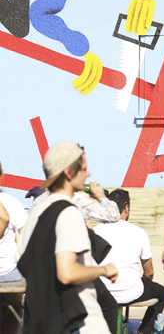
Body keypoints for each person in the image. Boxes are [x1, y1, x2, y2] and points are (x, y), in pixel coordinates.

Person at [16, 141, 118, 334]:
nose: (88, 174)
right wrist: (105, 270)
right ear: (69, 173)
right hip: (79, 321)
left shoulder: (36, 209)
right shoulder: (70, 210)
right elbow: (67, 273)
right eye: (84, 169)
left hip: (45, 319)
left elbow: (23, 260)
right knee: (110, 307)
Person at [94, 189, 164, 334]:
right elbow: (149, 272)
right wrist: (141, 282)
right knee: (162, 293)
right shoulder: (138, 232)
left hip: (100, 294)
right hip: (131, 292)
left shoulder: (95, 231)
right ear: (126, 208)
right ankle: (144, 331)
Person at [0, 161, 28, 334]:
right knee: (16, 306)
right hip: (10, 271)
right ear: (2, 176)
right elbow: (26, 236)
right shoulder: (11, 202)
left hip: (9, 272)